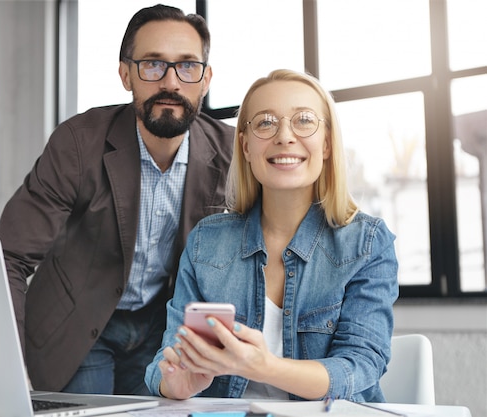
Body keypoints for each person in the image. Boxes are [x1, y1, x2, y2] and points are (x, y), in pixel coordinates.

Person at [0, 4, 234, 395]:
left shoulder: (230, 153)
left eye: (187, 66)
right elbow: (8, 257)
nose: (171, 82)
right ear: (126, 75)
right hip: (77, 323)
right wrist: (7, 362)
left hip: (162, 327)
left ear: (205, 79)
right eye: (152, 65)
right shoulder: (78, 142)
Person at [145, 69, 399, 402]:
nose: (285, 136)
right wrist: (175, 384)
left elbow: (360, 365)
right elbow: (166, 359)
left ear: (326, 143)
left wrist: (264, 367)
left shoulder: (366, 243)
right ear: (246, 146)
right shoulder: (206, 242)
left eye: (304, 120)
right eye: (266, 122)